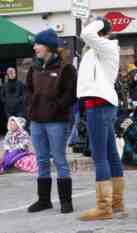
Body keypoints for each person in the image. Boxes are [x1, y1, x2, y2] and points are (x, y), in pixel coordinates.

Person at [77, 17, 126, 221]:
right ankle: (116, 203)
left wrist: (99, 21)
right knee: (110, 154)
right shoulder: (100, 49)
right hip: (101, 104)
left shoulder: (105, 46)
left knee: (101, 156)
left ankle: (104, 207)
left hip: (99, 105)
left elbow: (86, 34)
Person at [25, 29, 77, 214]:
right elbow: (29, 91)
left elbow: (70, 95)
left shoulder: (66, 68)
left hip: (56, 121)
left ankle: (66, 202)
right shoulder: (34, 67)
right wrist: (31, 108)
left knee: (60, 160)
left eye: (38, 44)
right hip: (37, 121)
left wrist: (55, 107)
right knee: (41, 160)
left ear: (48, 46)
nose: (35, 47)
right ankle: (44, 200)